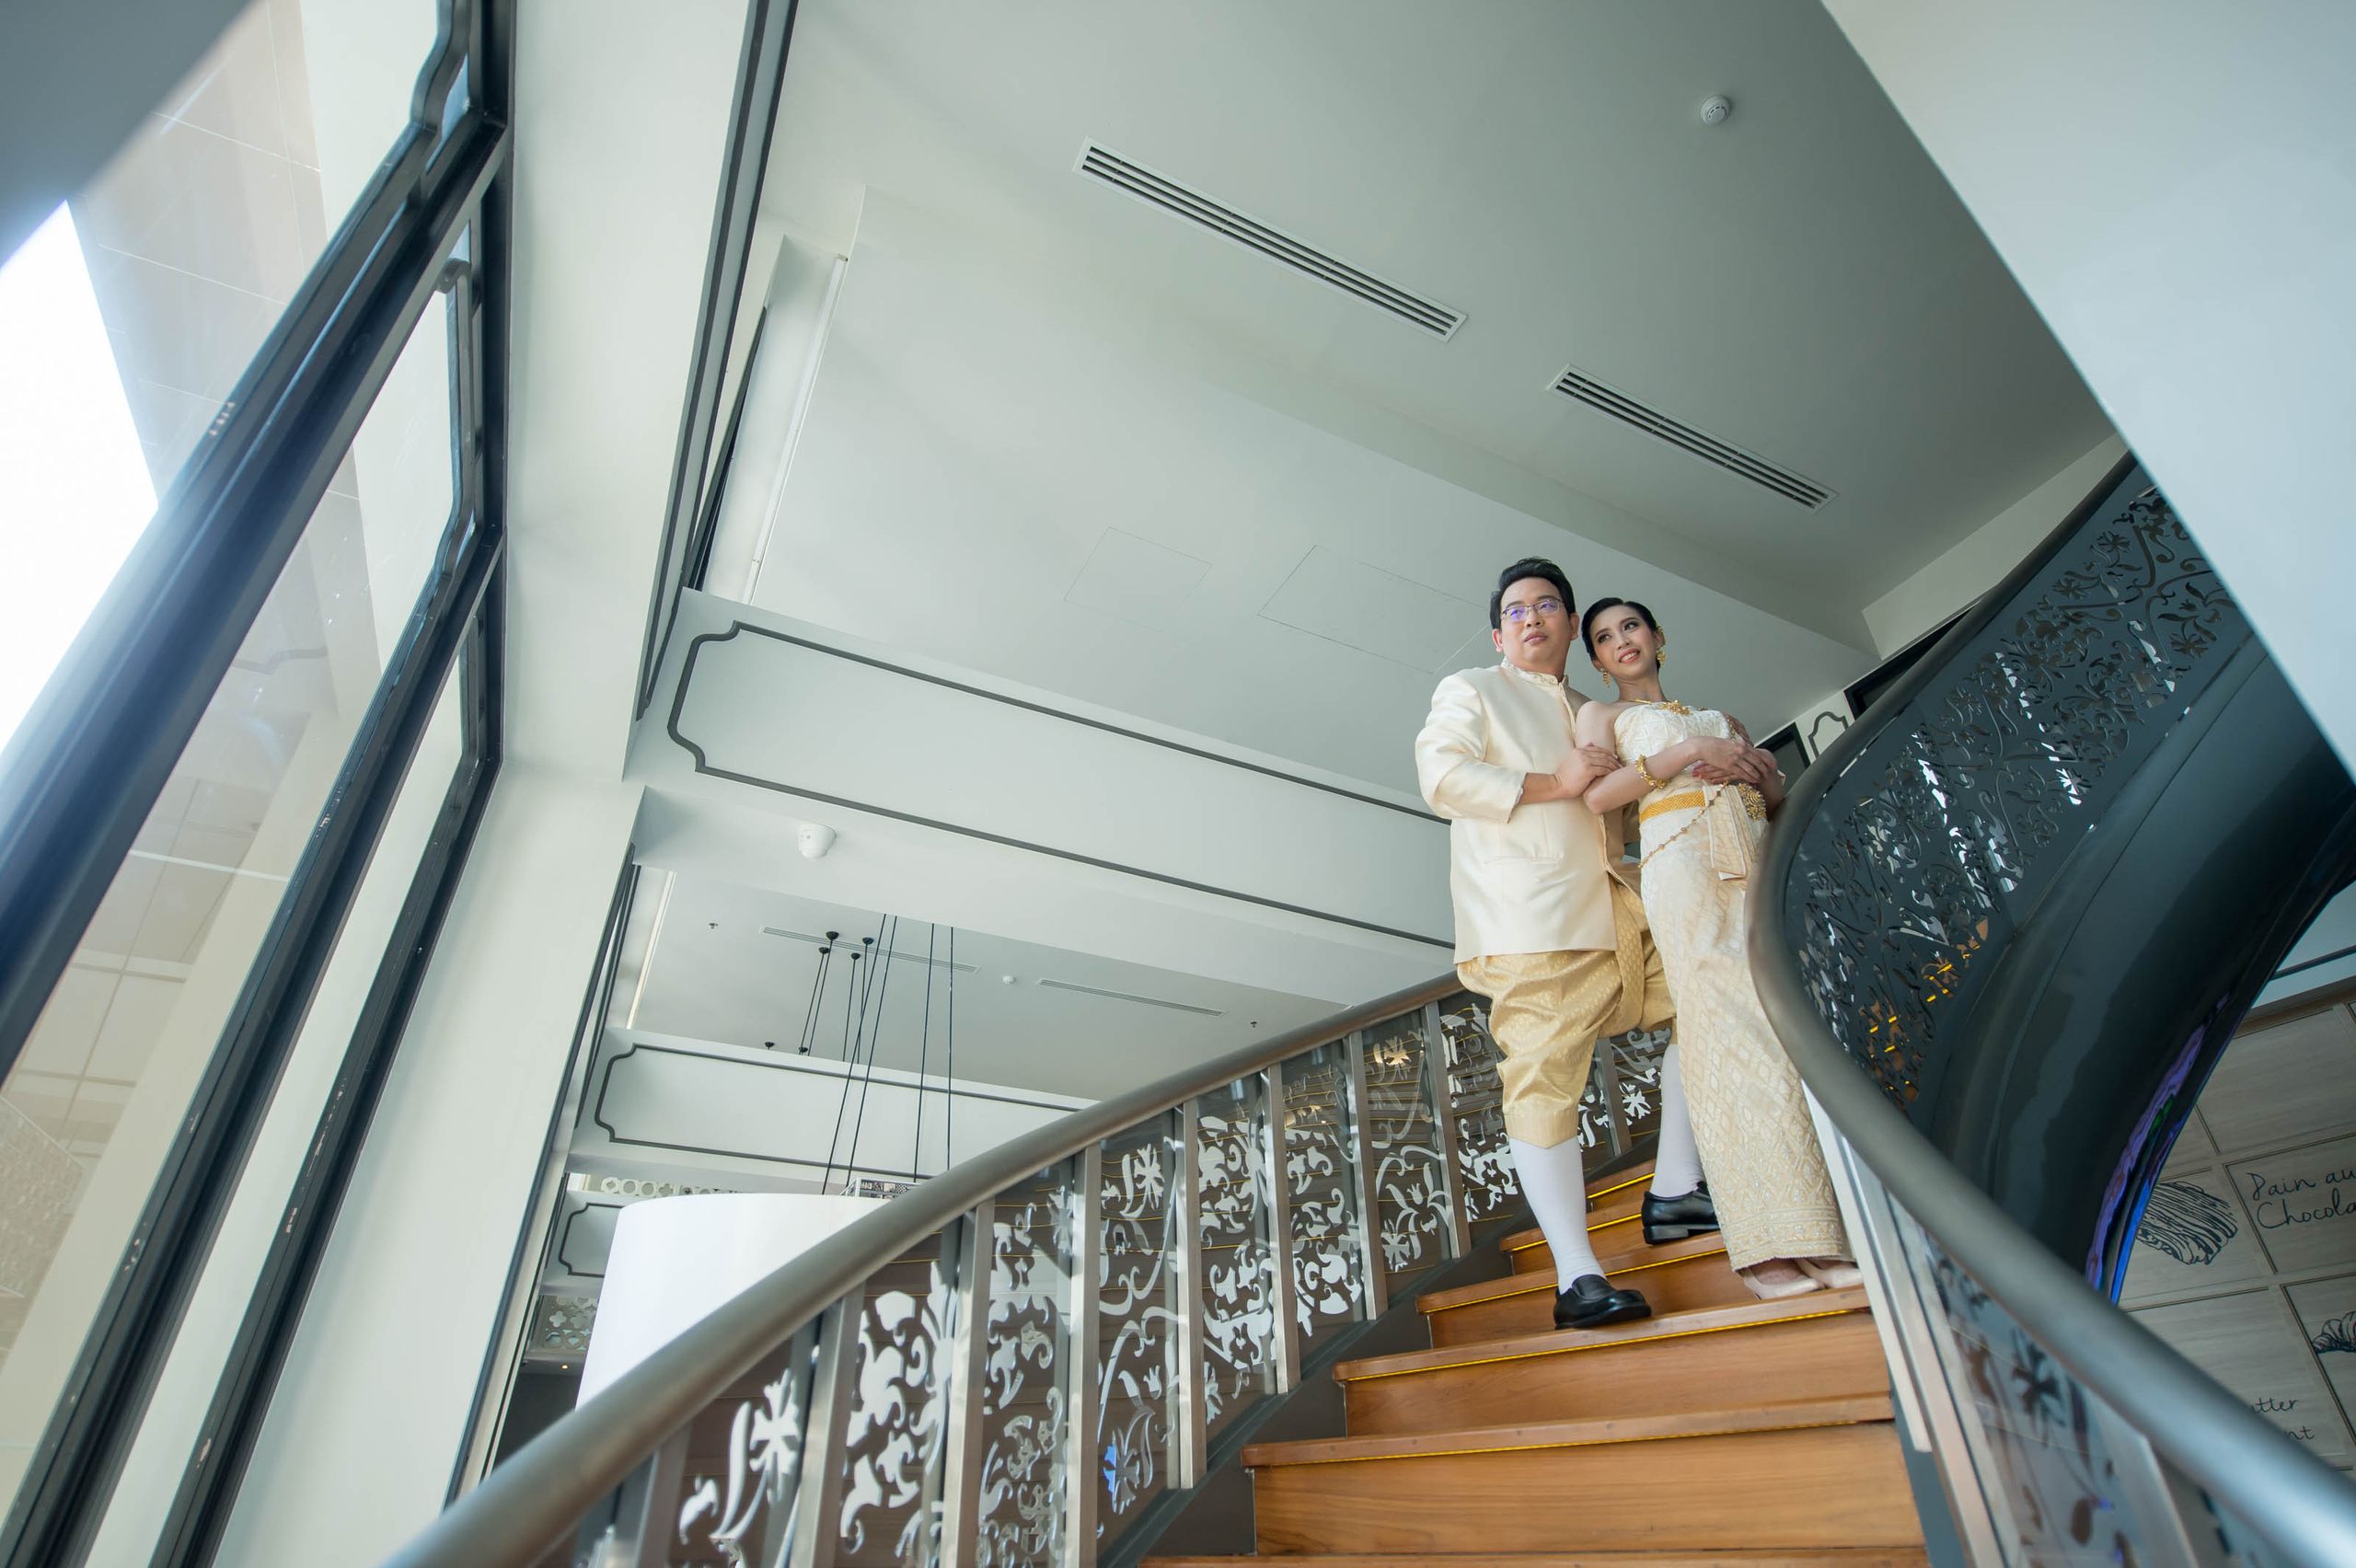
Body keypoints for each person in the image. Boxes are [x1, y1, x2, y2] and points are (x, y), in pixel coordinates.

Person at [1413, 558, 1721, 1330]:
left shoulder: (1594, 708)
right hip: (1531, 919)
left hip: (1622, 910)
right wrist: (1556, 781)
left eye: (1547, 605)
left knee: (1710, 1003)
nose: (1532, 618)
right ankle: (1576, 1276)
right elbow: (1441, 776)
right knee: (1545, 1084)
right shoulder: (1472, 689)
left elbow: (1619, 804)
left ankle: (1674, 1189)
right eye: (1516, 611)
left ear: (1571, 624)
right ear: (1498, 634)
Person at [1572, 595, 1858, 1298]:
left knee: (1782, 1034)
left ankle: (1818, 1231)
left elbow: (1775, 804)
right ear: (1598, 659)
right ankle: (1765, 1248)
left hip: (1751, 863)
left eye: (1631, 626)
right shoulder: (1602, 717)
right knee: (1722, 1034)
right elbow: (1597, 798)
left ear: (1657, 635)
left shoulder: (1724, 719)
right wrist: (1688, 753)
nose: (1622, 640)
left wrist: (1764, 777)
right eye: (1604, 637)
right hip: (1682, 867)